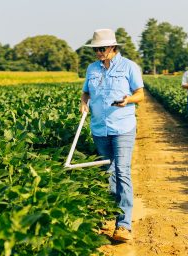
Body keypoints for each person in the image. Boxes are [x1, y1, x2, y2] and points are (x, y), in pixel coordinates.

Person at [79, 29, 144, 242]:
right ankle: (111, 213)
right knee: (108, 172)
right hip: (99, 128)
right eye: (96, 49)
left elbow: (140, 94)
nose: (98, 52)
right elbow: (86, 91)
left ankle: (124, 225)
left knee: (122, 171)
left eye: (102, 48)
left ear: (113, 47)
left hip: (123, 126)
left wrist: (128, 100)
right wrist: (83, 102)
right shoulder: (92, 69)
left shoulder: (129, 67)